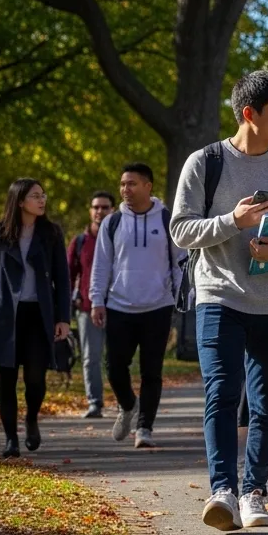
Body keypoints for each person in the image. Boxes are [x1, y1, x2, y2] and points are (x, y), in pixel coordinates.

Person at [170, 71, 268, 532]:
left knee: (266, 404)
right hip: (219, 295)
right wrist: (232, 221)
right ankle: (222, 489)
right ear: (249, 114)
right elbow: (181, 230)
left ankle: (253, 490)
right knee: (221, 393)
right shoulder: (205, 163)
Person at [88, 163, 186, 449]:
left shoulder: (167, 218)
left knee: (151, 371)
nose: (125, 189)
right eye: (122, 184)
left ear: (148, 186)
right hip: (119, 305)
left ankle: (145, 428)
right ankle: (128, 405)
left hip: (158, 306)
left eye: (131, 183)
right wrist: (97, 300)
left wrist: (181, 298)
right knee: (114, 367)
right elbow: (101, 265)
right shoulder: (113, 222)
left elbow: (180, 263)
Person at [0, 179, 72, 459]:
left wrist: (63, 318)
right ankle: (10, 439)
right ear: (20, 201)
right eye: (35, 196)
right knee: (5, 379)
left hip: (38, 314)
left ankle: (31, 418)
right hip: (5, 313)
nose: (42, 200)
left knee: (35, 377)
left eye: (43, 195)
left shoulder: (52, 233)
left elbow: (62, 279)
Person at [68, 191, 115, 419]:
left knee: (118, 359)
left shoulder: (121, 237)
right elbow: (68, 273)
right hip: (87, 309)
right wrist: (70, 301)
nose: (100, 211)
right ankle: (95, 403)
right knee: (90, 357)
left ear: (112, 210)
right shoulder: (80, 242)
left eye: (105, 207)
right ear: (90, 211)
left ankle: (123, 403)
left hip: (119, 307)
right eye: (96, 207)